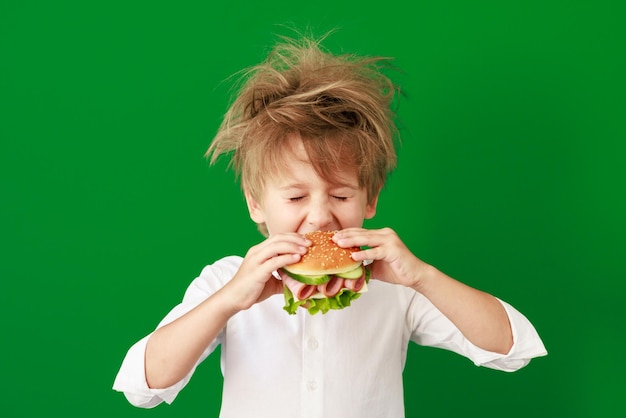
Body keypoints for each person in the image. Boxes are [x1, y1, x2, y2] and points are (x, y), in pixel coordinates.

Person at [113, 34, 547, 417]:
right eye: (297, 197)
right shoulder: (227, 280)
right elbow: (141, 386)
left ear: (370, 199)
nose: (320, 216)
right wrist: (228, 301)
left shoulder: (398, 286)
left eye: (340, 196)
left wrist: (423, 277)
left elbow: (511, 350)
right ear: (255, 203)